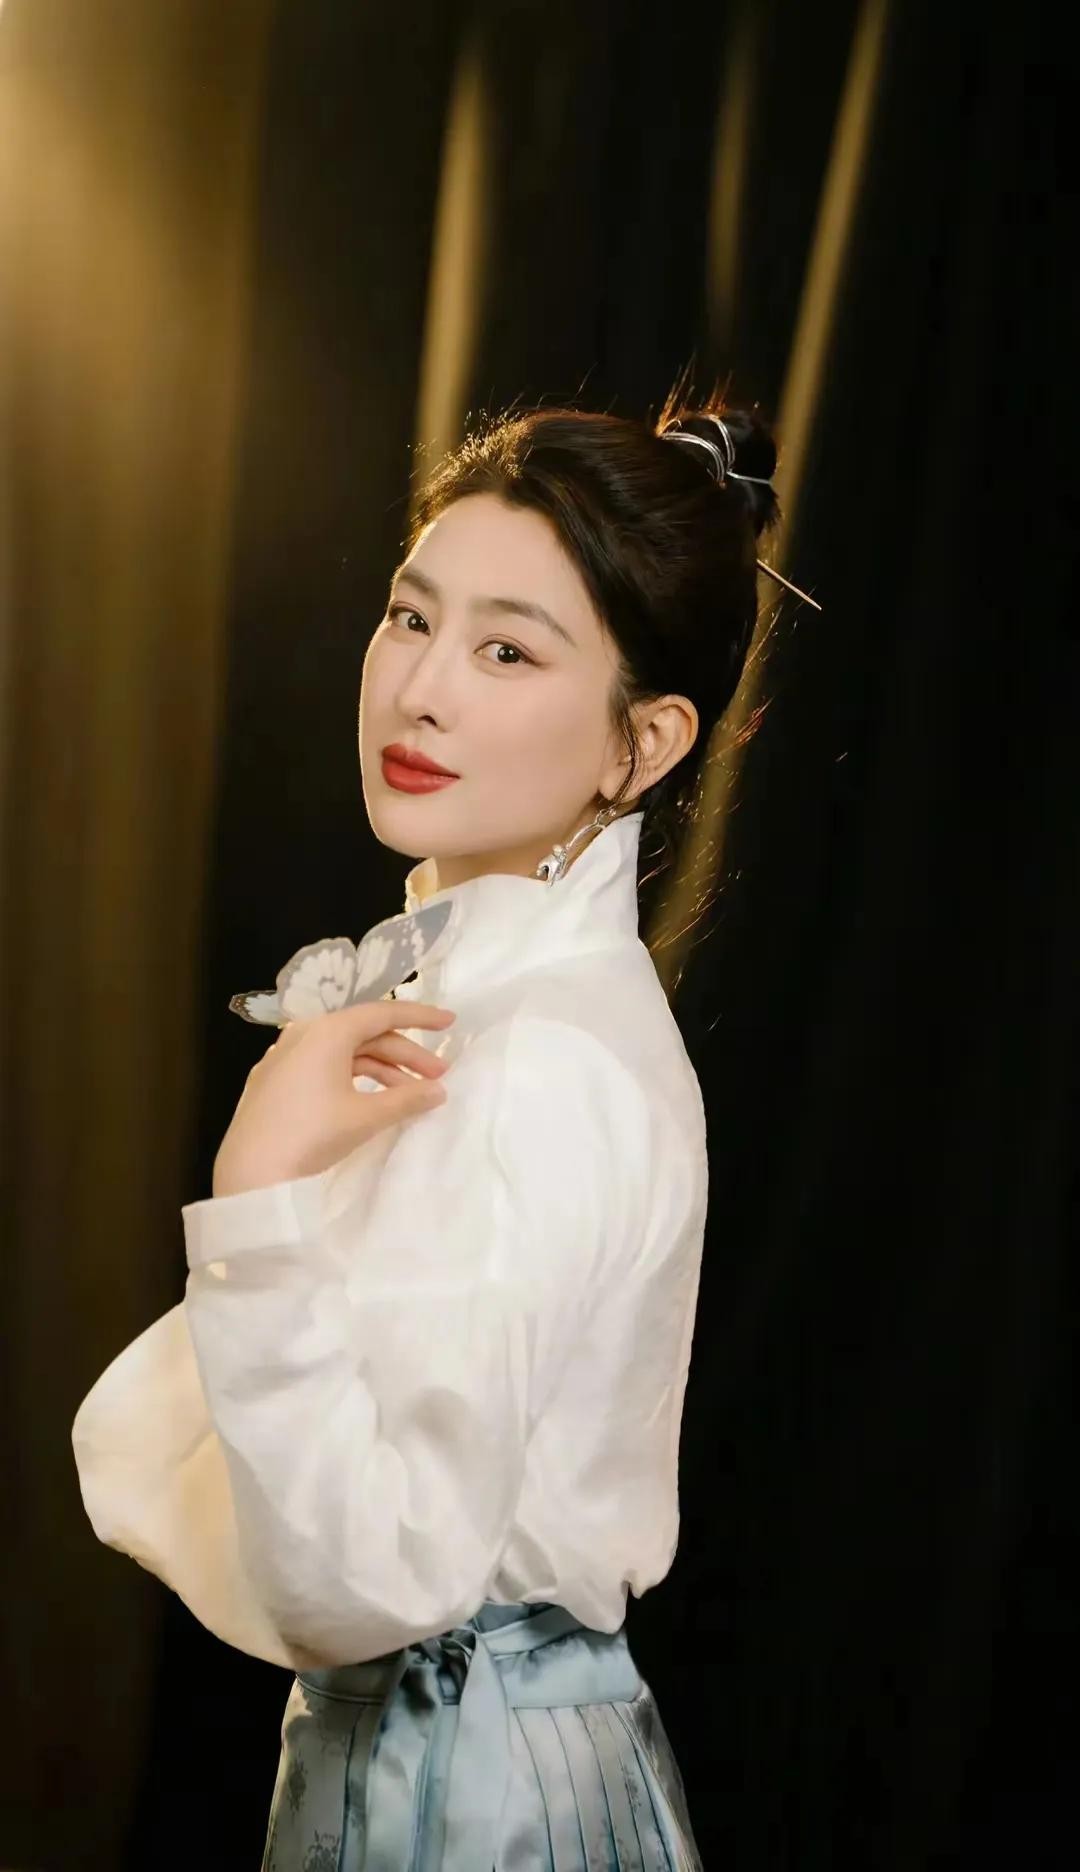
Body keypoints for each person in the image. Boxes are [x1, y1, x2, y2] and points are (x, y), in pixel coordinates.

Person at [72, 388, 788, 1870]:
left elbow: (370, 1576)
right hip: (465, 1748)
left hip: (465, 1788)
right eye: (411, 617)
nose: (422, 690)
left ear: (643, 744)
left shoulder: (544, 1060)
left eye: (507, 650)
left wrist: (260, 1195)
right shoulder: (503, 1002)